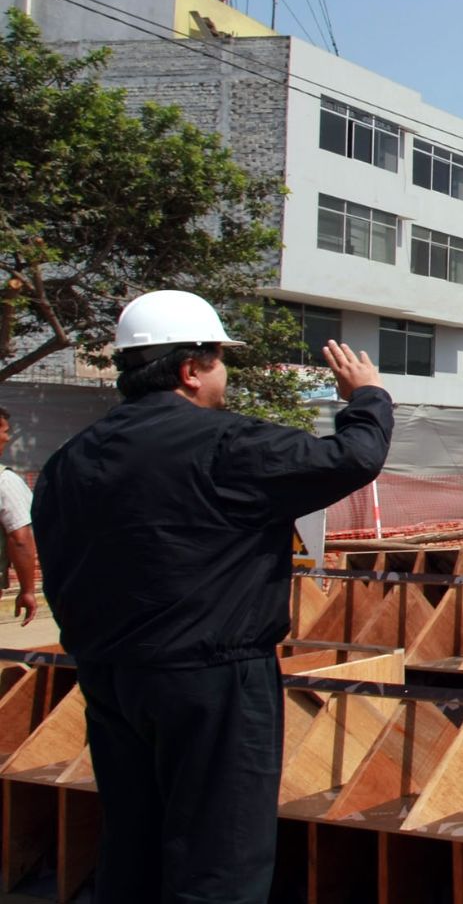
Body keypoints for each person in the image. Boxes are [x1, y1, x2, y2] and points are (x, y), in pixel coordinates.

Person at [33, 290, 392, 904]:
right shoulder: (228, 445)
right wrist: (366, 397)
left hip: (110, 678)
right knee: (218, 855)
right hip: (212, 682)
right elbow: (353, 457)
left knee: (133, 841)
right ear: (190, 369)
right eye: (221, 360)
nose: (223, 373)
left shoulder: (71, 459)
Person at [0, 408, 39, 625]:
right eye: (5, 431)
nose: (8, 437)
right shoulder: (4, 481)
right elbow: (20, 539)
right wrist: (27, 590)